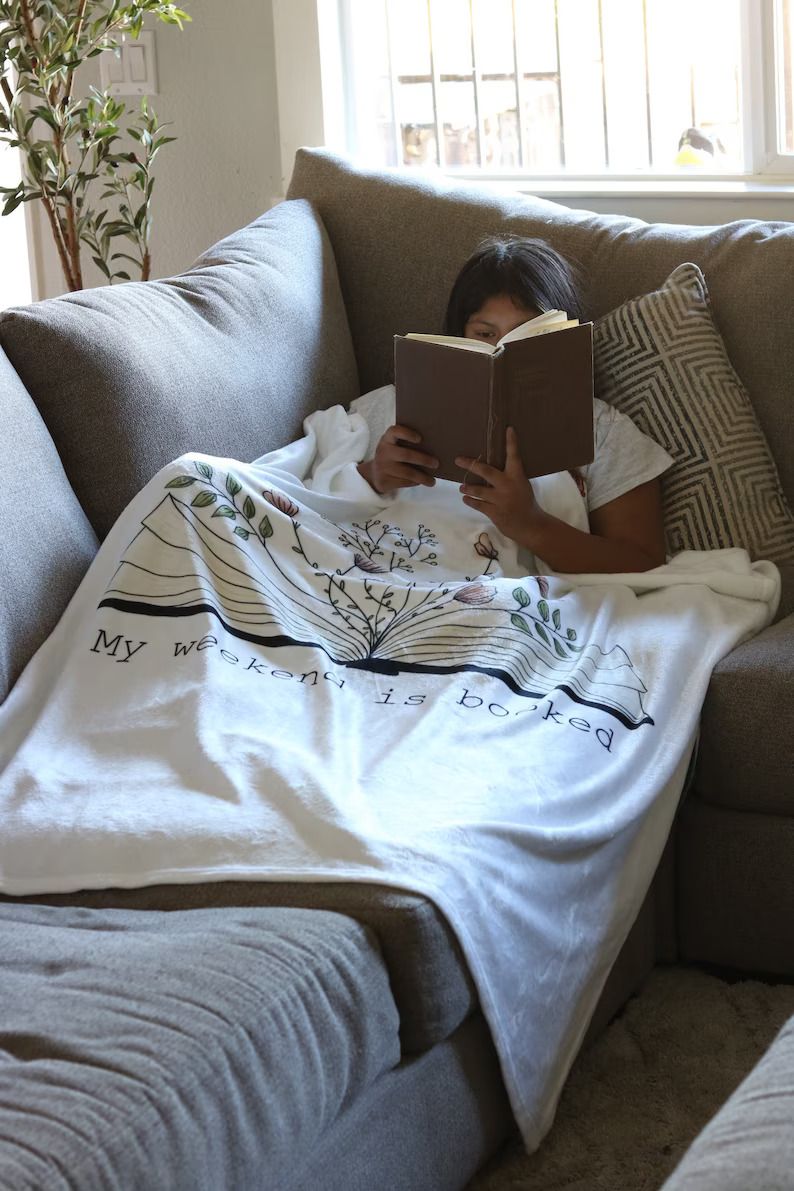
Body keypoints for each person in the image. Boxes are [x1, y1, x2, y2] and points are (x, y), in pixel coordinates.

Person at [356, 236, 673, 574]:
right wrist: (373, 476)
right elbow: (306, 490)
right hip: (399, 572)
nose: (501, 350)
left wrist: (531, 525)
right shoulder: (399, 406)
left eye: (527, 334)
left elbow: (643, 562)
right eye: (485, 334)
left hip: (515, 598)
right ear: (458, 333)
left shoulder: (602, 430)